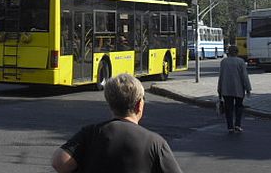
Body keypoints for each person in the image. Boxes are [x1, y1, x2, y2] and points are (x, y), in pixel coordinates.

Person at [51, 73, 183, 173]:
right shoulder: (155, 143)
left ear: (110, 104)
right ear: (139, 106)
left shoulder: (90, 133)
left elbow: (59, 162)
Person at [217, 45, 252, 133]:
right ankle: (237, 125)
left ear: (228, 52)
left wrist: (219, 89)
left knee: (228, 108)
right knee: (239, 107)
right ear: (237, 52)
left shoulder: (223, 62)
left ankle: (230, 127)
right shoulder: (241, 62)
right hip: (238, 88)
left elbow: (221, 76)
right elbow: (244, 76)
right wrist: (248, 88)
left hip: (226, 89)